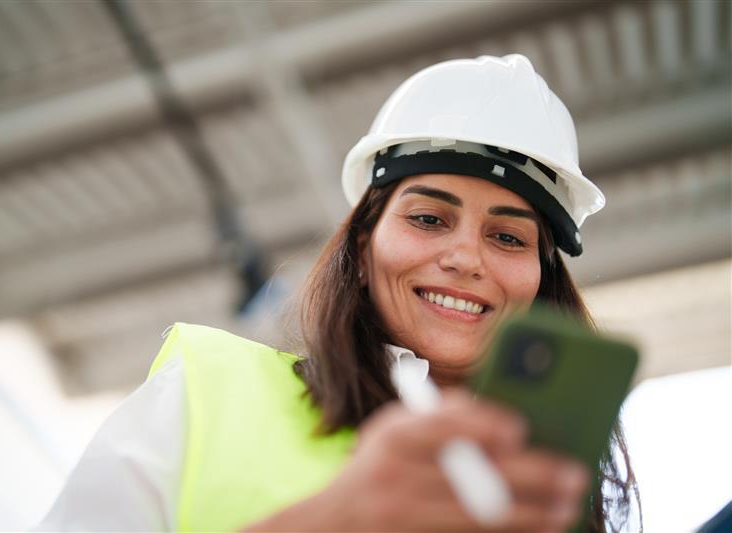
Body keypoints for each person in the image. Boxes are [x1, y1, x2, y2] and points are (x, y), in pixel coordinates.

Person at [37, 55, 638, 532]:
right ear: (362, 244)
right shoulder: (207, 389)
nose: (464, 258)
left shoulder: (551, 497)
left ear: (540, 279)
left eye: (507, 236)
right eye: (428, 219)